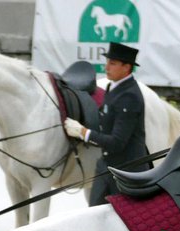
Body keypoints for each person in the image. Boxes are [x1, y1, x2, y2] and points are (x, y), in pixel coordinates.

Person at [62, 41, 150, 206]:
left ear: (126, 67)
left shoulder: (129, 96)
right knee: (93, 215)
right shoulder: (113, 87)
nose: (106, 67)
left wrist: (83, 133)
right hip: (106, 167)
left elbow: (117, 142)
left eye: (113, 63)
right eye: (107, 62)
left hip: (126, 171)